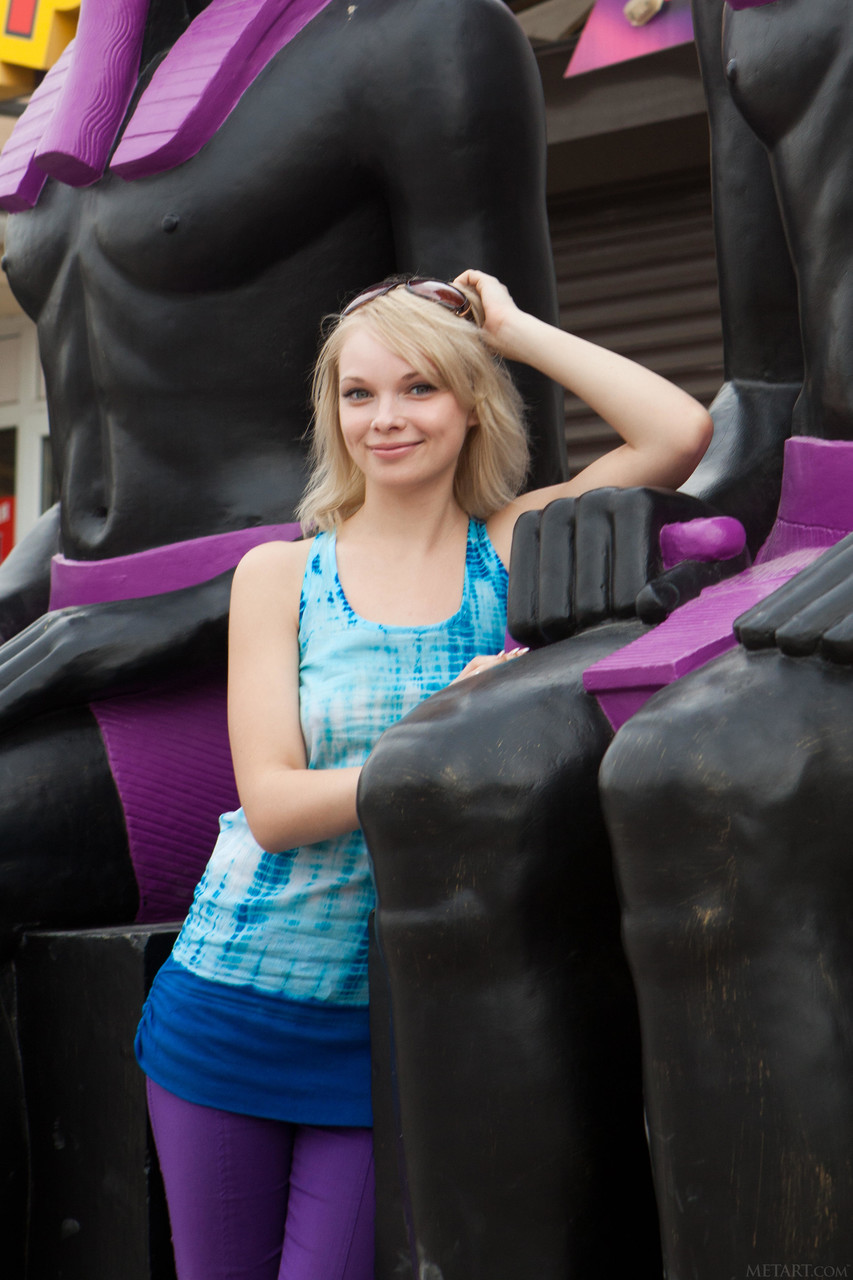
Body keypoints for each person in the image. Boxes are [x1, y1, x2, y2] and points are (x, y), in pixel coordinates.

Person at [133, 269, 711, 1280]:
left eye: (419, 388)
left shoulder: (511, 549)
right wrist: (440, 734)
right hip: (229, 999)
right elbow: (272, 807)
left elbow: (677, 432)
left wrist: (514, 330)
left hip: (390, 1025)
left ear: (471, 403)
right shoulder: (281, 575)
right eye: (358, 393)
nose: (385, 418)